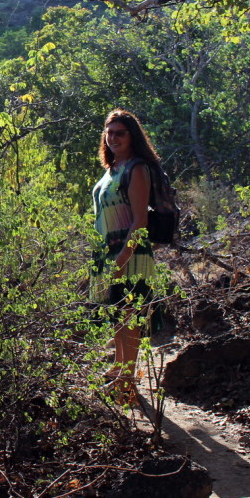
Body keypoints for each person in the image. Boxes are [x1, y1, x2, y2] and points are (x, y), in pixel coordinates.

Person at [91, 109, 163, 405]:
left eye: (120, 132)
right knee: (119, 316)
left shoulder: (137, 168)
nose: (114, 138)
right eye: (110, 132)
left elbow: (139, 221)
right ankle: (119, 371)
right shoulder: (112, 169)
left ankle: (127, 383)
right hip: (108, 250)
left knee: (129, 316)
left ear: (133, 136)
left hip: (130, 251)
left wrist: (121, 259)